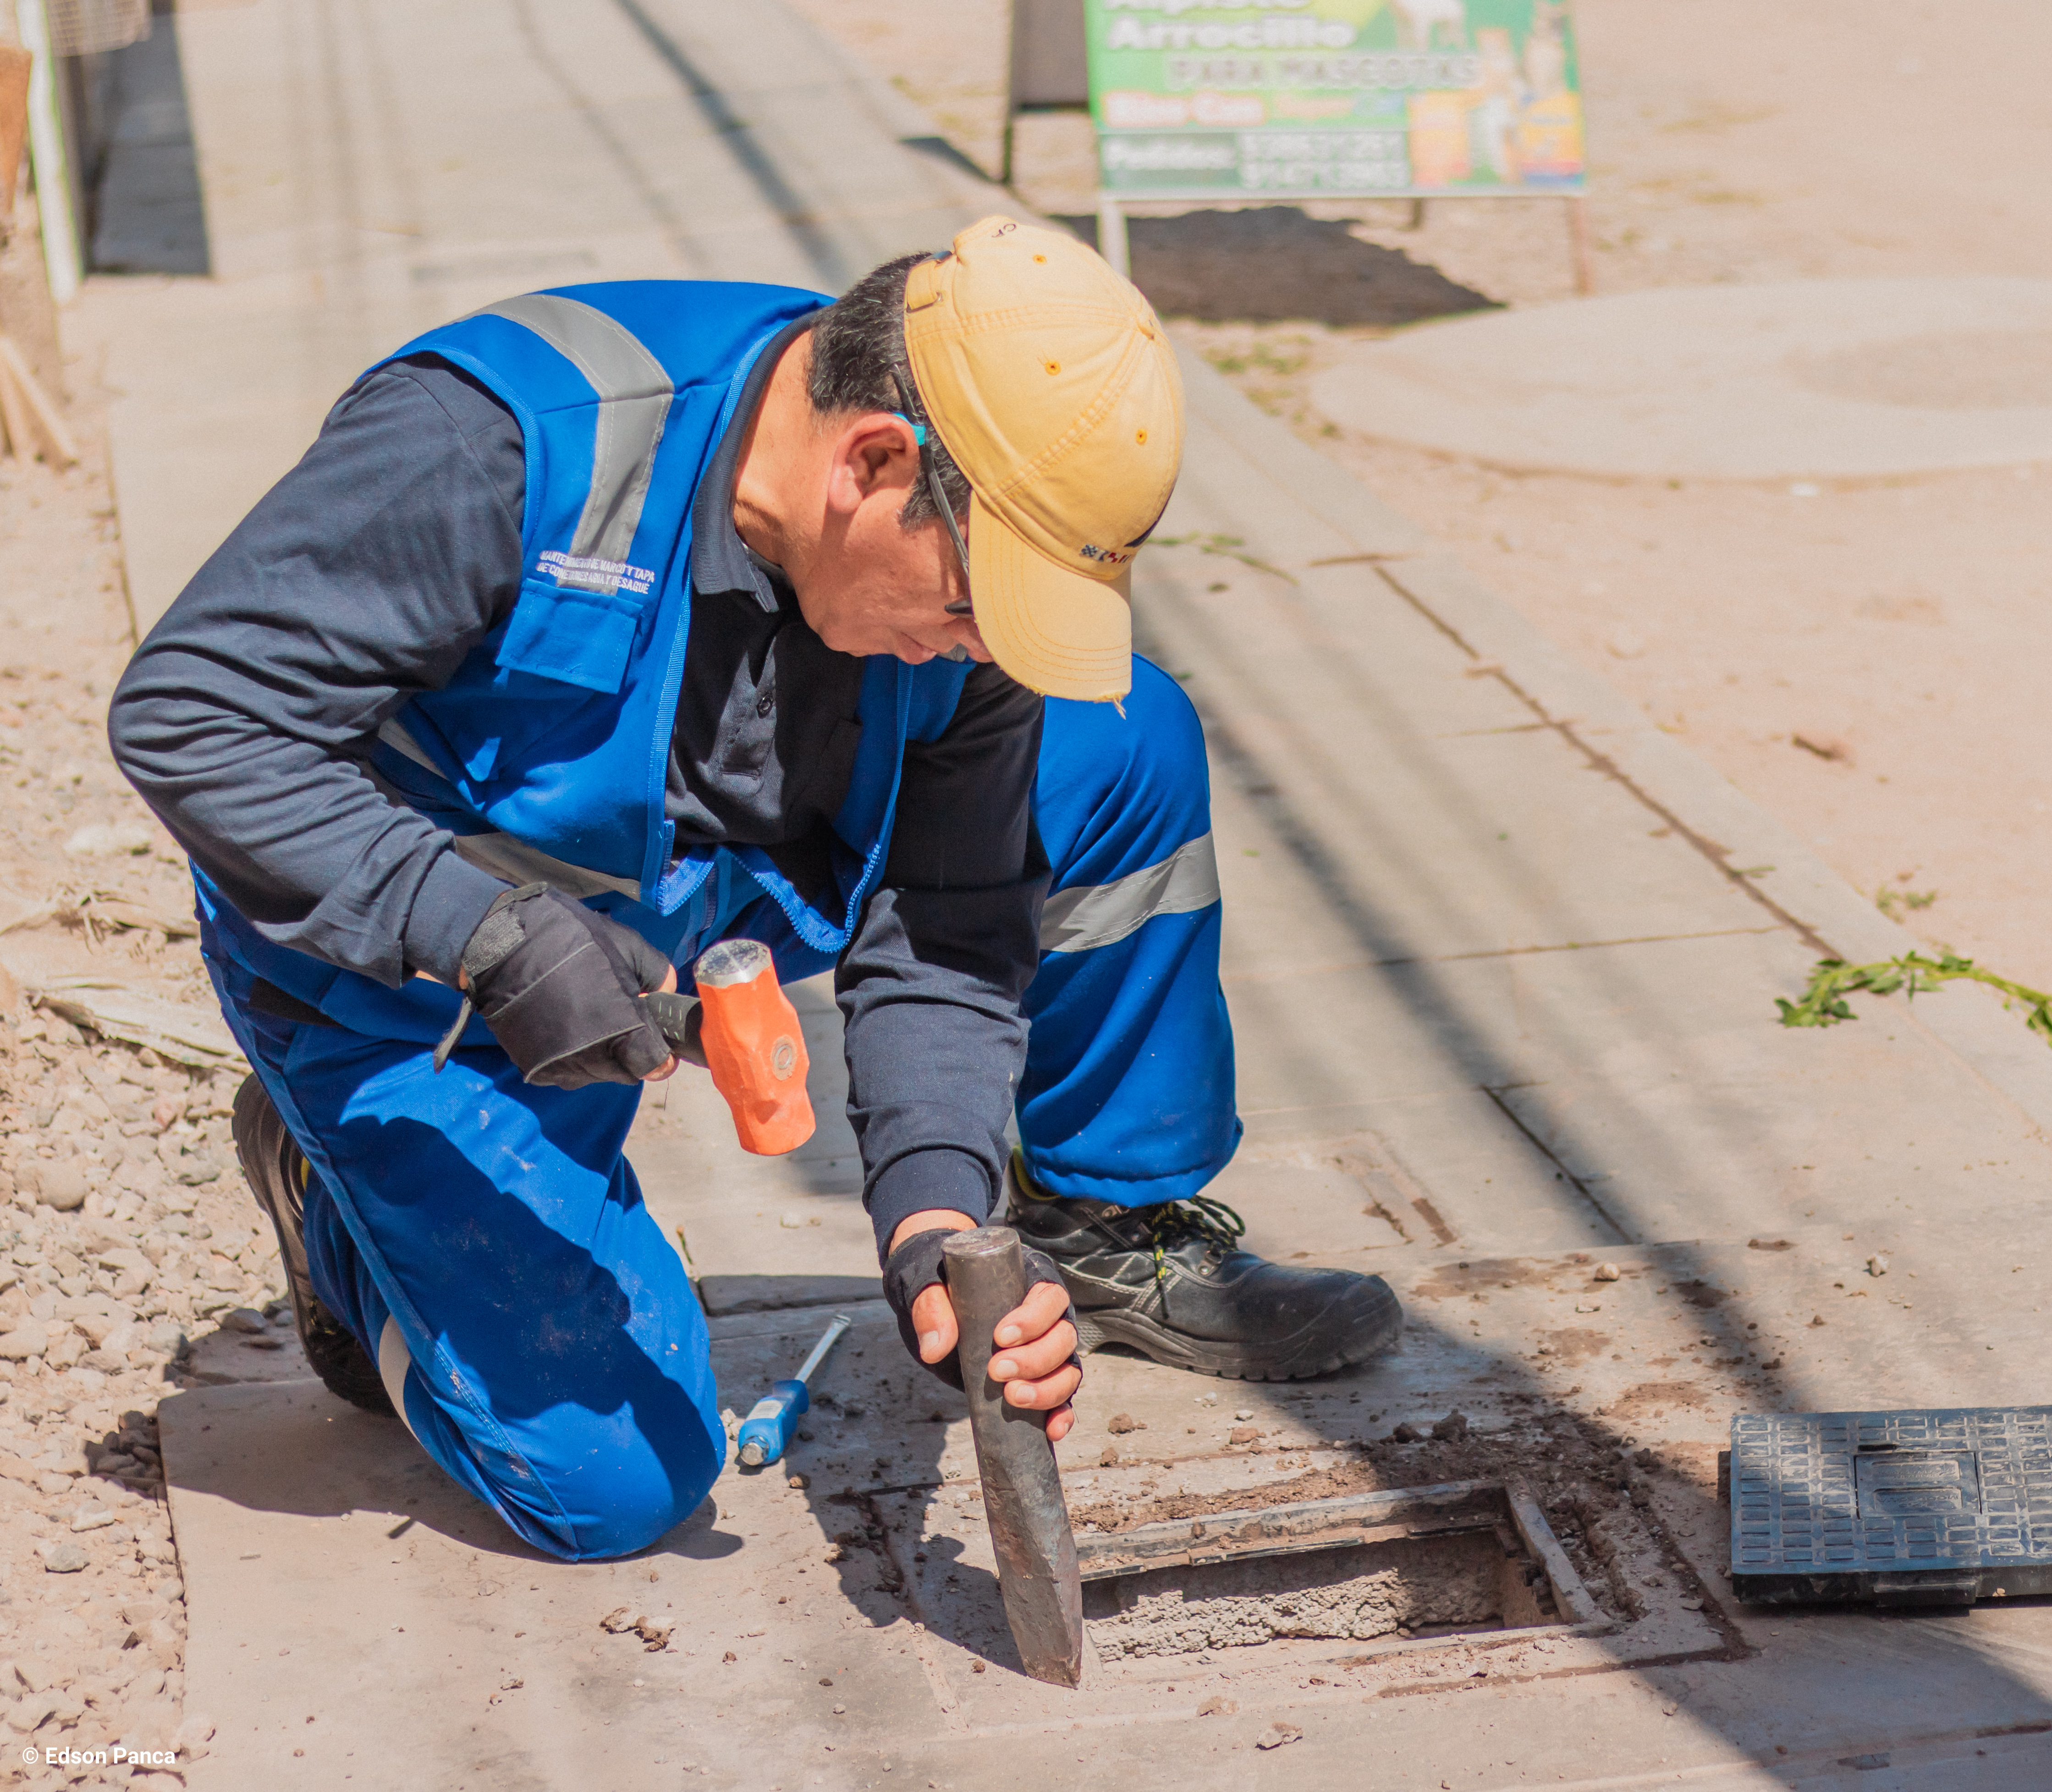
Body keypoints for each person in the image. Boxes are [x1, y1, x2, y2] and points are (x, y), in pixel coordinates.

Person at [108, 216, 1401, 1563]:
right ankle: (334, 1215)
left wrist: (936, 1222)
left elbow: (946, 937)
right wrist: (478, 934)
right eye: (973, 604)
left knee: (1121, 737)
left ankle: (1100, 1215)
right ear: (875, 462)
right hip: (412, 978)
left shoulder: (956, 503)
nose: (979, 643)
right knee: (611, 1489)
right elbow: (193, 719)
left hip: (702, 889)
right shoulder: (504, 446)